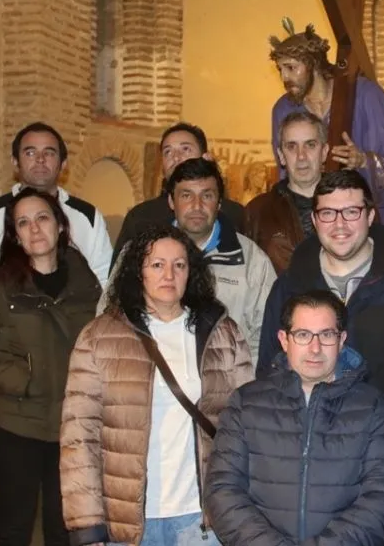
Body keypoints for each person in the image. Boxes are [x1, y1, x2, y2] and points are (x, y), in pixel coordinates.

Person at [257, 169, 384, 546]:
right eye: (328, 213)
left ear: (371, 216)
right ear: (314, 219)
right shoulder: (289, 286)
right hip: (308, 476)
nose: (340, 224)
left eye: (351, 212)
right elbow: (268, 383)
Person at [60, 226, 254, 546]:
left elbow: (248, 425)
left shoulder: (222, 333)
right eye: (157, 265)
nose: (169, 274)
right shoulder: (99, 337)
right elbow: (79, 436)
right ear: (138, 272)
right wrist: (87, 524)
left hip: (202, 517)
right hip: (126, 521)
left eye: (179, 265)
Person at [0, 188, 101, 546]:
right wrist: (22, 378)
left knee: (63, 532)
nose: (34, 228)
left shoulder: (87, 283)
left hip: (70, 430)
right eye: (23, 222)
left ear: (60, 226)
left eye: (42, 218)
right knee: (14, 532)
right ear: (15, 235)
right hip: (14, 428)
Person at [205, 290, 384, 546]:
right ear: (284, 340)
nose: (315, 348)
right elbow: (222, 489)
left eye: (326, 335)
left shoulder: (373, 407)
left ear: (342, 339)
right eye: (302, 335)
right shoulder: (246, 404)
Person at [102, 157, 276, 351]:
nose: (196, 205)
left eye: (207, 195)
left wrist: (240, 375)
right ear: (171, 201)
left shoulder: (251, 260)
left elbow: (266, 333)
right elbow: (108, 318)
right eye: (186, 195)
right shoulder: (138, 252)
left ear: (219, 203)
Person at [0, 121, 111, 316]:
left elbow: (105, 280)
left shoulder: (87, 217)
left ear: (64, 164)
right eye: (30, 153)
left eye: (49, 153)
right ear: (15, 162)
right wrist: (0, 326)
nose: (40, 159)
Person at [269, 22, 384, 231]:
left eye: (291, 68)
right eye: (280, 69)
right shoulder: (284, 109)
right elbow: (285, 172)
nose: (284, 78)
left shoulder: (366, 96)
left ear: (313, 65)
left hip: (370, 222)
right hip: (312, 224)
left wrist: (363, 160)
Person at [112, 122, 247, 267]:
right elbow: (120, 280)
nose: (175, 157)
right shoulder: (141, 218)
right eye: (168, 152)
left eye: (185, 149)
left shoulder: (234, 215)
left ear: (206, 157)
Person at [246, 111, 329, 273]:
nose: (301, 156)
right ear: (281, 156)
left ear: (324, 152)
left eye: (310, 145)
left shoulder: (351, 205)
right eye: (291, 146)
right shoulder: (257, 212)